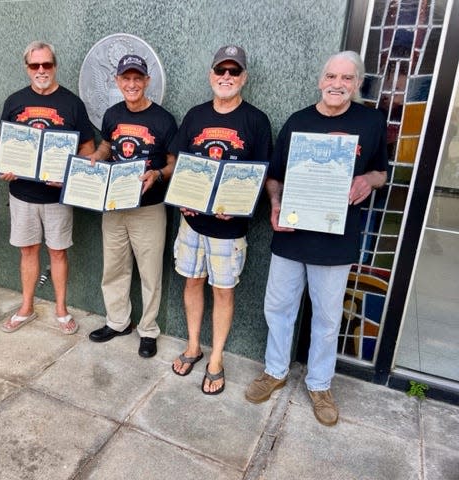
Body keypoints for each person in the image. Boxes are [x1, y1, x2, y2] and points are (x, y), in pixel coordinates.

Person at [244, 51, 388, 426]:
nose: (337, 84)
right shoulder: (298, 121)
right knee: (278, 308)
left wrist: (366, 181)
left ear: (356, 84)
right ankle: (275, 371)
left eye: (346, 78)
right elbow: (274, 175)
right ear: (320, 80)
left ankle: (320, 384)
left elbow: (381, 174)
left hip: (336, 237)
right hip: (292, 233)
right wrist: (274, 203)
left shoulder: (371, 122)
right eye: (331, 76)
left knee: (326, 317)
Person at [169, 45, 272, 394]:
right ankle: (193, 346)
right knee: (192, 283)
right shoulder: (195, 115)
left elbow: (263, 175)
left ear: (244, 78)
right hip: (193, 223)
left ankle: (216, 360)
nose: (226, 77)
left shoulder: (256, 120)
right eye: (220, 70)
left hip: (230, 229)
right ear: (211, 74)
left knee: (223, 292)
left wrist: (242, 205)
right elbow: (180, 162)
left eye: (233, 71)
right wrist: (182, 199)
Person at [0, 41, 95, 334]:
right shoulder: (14, 101)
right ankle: (26, 307)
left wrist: (69, 174)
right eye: (34, 65)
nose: (41, 70)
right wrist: (6, 167)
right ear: (27, 68)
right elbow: (2, 144)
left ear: (55, 66)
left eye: (47, 65)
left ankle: (61, 310)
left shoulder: (72, 103)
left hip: (57, 197)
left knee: (58, 253)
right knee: (28, 251)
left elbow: (89, 148)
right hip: (22, 194)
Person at [87, 55, 178, 358]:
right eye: (126, 78)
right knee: (113, 266)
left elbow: (173, 163)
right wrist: (97, 157)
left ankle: (148, 330)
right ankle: (117, 321)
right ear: (117, 81)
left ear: (147, 81)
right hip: (114, 203)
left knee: (150, 272)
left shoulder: (163, 119)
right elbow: (107, 144)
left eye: (137, 78)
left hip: (149, 207)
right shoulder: (112, 114)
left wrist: (157, 175)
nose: (132, 84)